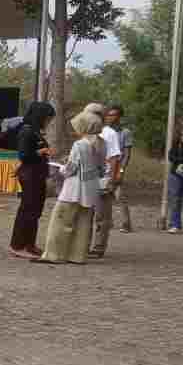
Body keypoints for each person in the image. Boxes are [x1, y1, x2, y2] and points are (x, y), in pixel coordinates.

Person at [34, 109, 104, 265]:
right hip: (91, 187)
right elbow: (101, 168)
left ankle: (54, 254)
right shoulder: (101, 143)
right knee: (84, 223)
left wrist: (62, 169)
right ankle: (77, 255)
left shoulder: (80, 145)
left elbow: (71, 168)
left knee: (61, 221)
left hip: (74, 188)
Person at [9, 101, 55, 258]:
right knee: (27, 210)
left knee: (35, 211)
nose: (48, 122)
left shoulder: (36, 132)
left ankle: (30, 244)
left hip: (38, 174)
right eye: (47, 118)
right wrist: (40, 152)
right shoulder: (26, 131)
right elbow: (23, 154)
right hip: (30, 176)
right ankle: (17, 245)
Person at [89, 103, 123, 259]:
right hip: (87, 177)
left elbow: (115, 157)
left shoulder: (109, 133)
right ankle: (82, 244)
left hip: (103, 177)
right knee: (85, 214)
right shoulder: (87, 132)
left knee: (102, 215)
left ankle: (99, 247)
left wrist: (112, 178)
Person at [104, 105, 134, 234]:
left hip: (117, 167)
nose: (111, 117)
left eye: (114, 115)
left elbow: (127, 154)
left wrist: (121, 171)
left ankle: (126, 223)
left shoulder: (125, 132)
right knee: (105, 195)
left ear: (119, 117)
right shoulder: (104, 131)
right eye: (109, 115)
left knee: (120, 195)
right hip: (104, 167)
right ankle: (107, 222)